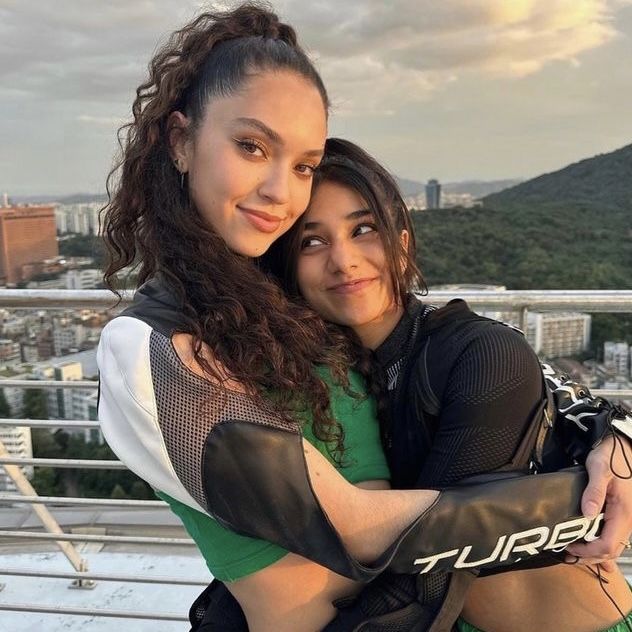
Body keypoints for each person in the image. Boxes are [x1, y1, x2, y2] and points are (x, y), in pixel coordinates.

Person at [95, 5, 628, 632]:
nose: (278, 192)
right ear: (182, 142)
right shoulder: (154, 346)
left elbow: (512, 375)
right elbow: (349, 524)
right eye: (250, 146)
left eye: (301, 165)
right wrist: (580, 501)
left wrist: (612, 434)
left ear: (403, 238)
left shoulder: (292, 324)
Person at [261, 137, 632, 631]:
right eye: (312, 241)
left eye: (364, 229)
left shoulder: (476, 351)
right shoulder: (316, 373)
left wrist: (617, 433)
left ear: (403, 240)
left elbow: (432, 564)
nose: (343, 261)